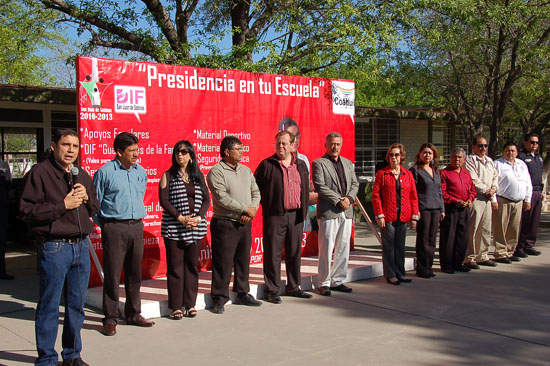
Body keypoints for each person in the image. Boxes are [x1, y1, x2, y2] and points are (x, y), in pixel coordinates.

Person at [19, 129, 99, 366]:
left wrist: (86, 198)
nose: (71, 150)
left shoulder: (80, 174)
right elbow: (27, 212)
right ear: (54, 146)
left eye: (75, 146)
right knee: (50, 305)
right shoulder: (40, 173)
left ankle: (72, 354)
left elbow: (95, 207)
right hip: (55, 248)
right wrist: (61, 205)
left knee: (76, 305)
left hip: (80, 246)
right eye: (66, 145)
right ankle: (46, 359)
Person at [93, 132, 154, 336]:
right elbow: (95, 205)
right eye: (131, 151)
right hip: (114, 227)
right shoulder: (105, 172)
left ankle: (134, 313)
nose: (136, 154)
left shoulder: (140, 171)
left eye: (137, 149)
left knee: (134, 273)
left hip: (136, 226)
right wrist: (108, 225)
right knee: (112, 274)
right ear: (119, 152)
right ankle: (110, 318)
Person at [254, 131, 312, 304]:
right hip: (275, 216)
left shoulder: (301, 165)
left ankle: (294, 287)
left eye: (284, 143)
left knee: (295, 252)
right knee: (273, 253)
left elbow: (306, 189)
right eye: (278, 143)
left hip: (296, 216)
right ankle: (272, 289)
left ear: (293, 145)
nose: (280, 146)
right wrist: (267, 204)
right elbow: (255, 188)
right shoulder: (267, 165)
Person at [207, 135, 261, 314]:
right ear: (226, 152)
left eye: (242, 148)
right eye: (237, 149)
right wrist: (245, 209)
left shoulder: (246, 170)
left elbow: (256, 192)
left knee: (243, 260)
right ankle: (219, 298)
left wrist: (251, 209)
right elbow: (222, 198)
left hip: (245, 222)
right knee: (223, 262)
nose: (241, 152)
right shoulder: (216, 171)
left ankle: (242, 293)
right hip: (225, 223)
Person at [159, 140, 210, 319]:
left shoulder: (199, 176)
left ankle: (190, 304)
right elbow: (164, 200)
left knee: (191, 267)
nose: (180, 155)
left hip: (195, 227)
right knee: (175, 267)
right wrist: (180, 218)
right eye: (177, 152)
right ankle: (176, 306)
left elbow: (206, 200)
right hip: (174, 227)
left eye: (184, 152)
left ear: (191, 155)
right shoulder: (168, 175)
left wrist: (197, 217)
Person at [312, 132, 359, 296]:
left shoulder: (348, 163)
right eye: (332, 144)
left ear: (341, 145)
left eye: (338, 144)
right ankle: (323, 282)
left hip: (346, 211)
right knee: (326, 249)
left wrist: (350, 198)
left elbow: (355, 183)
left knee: (343, 248)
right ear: (326, 145)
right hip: (329, 211)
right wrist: (339, 200)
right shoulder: (319, 163)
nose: (335, 147)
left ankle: (337, 280)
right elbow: (320, 186)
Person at [372, 143, 419, 285]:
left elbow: (413, 196)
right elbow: (375, 196)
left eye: (397, 155)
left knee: (400, 246)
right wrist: (379, 214)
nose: (394, 157)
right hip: (388, 216)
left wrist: (414, 216)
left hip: (403, 215)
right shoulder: (382, 174)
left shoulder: (408, 174)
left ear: (402, 156)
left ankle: (400, 273)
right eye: (391, 155)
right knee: (389, 246)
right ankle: (390, 274)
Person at [409, 143, 445, 278]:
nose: (427, 155)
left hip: (435, 208)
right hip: (423, 208)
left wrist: (442, 208)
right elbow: (412, 192)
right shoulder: (415, 170)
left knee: (431, 239)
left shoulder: (435, 171)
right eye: (424, 153)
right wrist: (415, 210)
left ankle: (429, 267)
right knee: (423, 239)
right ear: (420, 154)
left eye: (430, 153)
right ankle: (422, 267)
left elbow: (439, 191)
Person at [493, 142, 532, 263]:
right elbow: (493, 183)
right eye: (508, 150)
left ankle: (510, 252)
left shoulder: (521, 164)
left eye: (513, 151)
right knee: (501, 228)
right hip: (503, 200)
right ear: (503, 151)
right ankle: (500, 253)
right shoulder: (497, 164)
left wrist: (527, 199)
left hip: (518, 201)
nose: (510, 153)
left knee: (514, 228)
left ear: (517, 152)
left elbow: (527, 183)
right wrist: (493, 200)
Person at [463, 135, 499, 269]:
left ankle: (482, 255)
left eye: (485, 145)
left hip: (488, 198)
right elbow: (473, 179)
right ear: (473, 147)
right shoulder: (471, 160)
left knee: (485, 228)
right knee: (473, 228)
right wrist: (486, 190)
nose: (483, 148)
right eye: (480, 145)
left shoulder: (489, 161)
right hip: (477, 197)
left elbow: (495, 176)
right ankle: (469, 257)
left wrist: (494, 189)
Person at [439, 147, 477, 274]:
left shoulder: (466, 173)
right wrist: (455, 200)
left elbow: (472, 190)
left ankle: (458, 262)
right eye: (454, 157)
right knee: (449, 237)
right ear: (450, 158)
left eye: (459, 157)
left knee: (462, 237)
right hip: (451, 209)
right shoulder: (444, 173)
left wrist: (470, 199)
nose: (457, 159)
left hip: (464, 208)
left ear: (464, 159)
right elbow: (442, 192)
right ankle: (446, 264)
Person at [279, 117, 318, 230]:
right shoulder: (274, 162)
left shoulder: (303, 160)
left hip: (302, 216)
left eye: (297, 136)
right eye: (291, 136)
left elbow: (304, 186)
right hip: (284, 215)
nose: (295, 140)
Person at [517, 133, 544, 257]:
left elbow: (541, 176)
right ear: (525, 142)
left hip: (538, 191)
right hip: (528, 192)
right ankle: (520, 246)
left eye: (536, 143)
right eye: (532, 142)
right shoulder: (521, 157)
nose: (534, 145)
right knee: (525, 220)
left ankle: (529, 245)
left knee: (534, 221)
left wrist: (542, 191)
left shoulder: (539, 157)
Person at [0, 158, 13, 280]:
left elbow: (9, 183)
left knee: (2, 240)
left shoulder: (3, 165)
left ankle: (1, 271)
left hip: (2, 206)